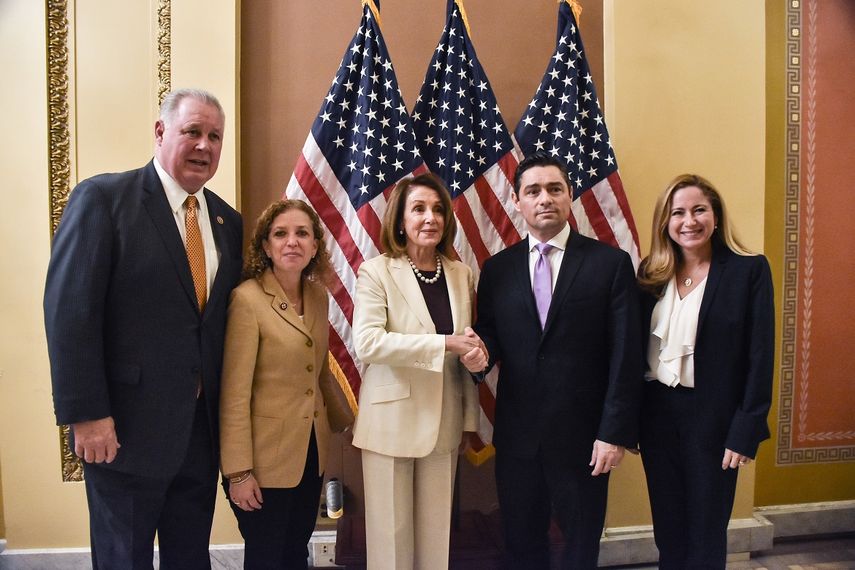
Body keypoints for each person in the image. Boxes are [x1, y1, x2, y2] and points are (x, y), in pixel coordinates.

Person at [43, 88, 243, 569]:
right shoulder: (104, 199)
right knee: (123, 559)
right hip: (123, 432)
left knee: (189, 558)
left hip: (200, 434)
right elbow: (71, 313)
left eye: (215, 136)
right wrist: (87, 414)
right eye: (192, 131)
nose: (204, 145)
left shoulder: (228, 221)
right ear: (160, 132)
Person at [473, 151, 642, 569]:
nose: (544, 198)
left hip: (585, 440)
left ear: (570, 195)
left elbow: (626, 354)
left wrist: (613, 433)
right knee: (522, 547)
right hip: (519, 440)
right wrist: (477, 354)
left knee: (580, 550)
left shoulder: (610, 264)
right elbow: (491, 335)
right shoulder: (497, 270)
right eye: (533, 191)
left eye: (554, 189)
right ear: (517, 202)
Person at [637, 174, 774, 569]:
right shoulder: (652, 273)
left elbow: (760, 356)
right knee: (668, 530)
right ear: (665, 221)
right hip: (657, 417)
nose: (689, 221)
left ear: (716, 216)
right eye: (678, 213)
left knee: (706, 531)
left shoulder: (748, 271)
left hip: (713, 420)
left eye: (699, 210)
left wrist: (745, 429)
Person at [351, 173, 485, 570]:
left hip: (444, 423)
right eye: (419, 209)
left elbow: (464, 346)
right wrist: (444, 344)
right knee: (390, 546)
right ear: (400, 221)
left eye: (438, 209)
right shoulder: (376, 271)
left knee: (435, 542)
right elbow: (368, 343)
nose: (431, 218)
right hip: (390, 423)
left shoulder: (460, 274)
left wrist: (468, 418)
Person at [219, 199, 350, 569]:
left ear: (314, 246)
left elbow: (318, 372)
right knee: (267, 557)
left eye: (302, 233)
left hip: (310, 454)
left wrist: (347, 423)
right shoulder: (246, 300)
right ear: (266, 245)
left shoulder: (317, 296)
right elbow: (234, 394)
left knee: (295, 553)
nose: (292, 241)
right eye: (280, 234)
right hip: (263, 462)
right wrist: (238, 473)